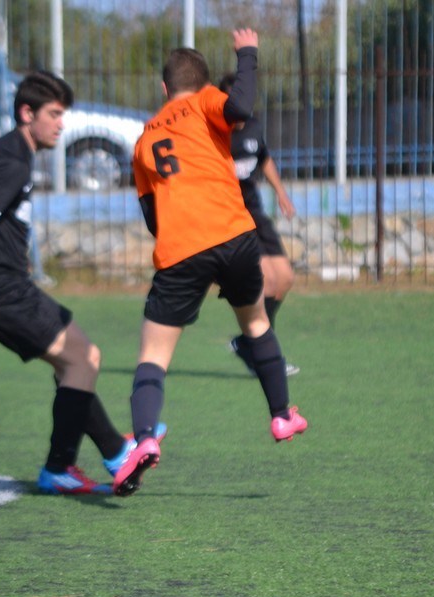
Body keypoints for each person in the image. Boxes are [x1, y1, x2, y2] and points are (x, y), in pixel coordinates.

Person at [0, 70, 164, 496]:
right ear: (26, 113)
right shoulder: (12, 160)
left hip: (3, 284)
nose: (61, 124)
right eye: (53, 114)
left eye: (62, 114)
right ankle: (77, 463)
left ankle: (108, 451)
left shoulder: (9, 151)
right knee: (82, 358)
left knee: (78, 360)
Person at [112, 29, 308, 498]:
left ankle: (144, 439)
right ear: (202, 84)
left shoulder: (145, 138)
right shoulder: (206, 103)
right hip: (235, 237)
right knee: (256, 323)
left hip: (181, 249)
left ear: (164, 88)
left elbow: (151, 216)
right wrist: (247, 54)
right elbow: (239, 108)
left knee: (153, 356)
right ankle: (281, 415)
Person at [218, 72, 300, 377]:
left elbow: (263, 157)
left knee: (285, 278)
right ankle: (265, 355)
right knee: (265, 281)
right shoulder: (213, 133)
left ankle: (248, 343)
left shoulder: (253, 126)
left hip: (256, 213)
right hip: (232, 218)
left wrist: (281, 193)